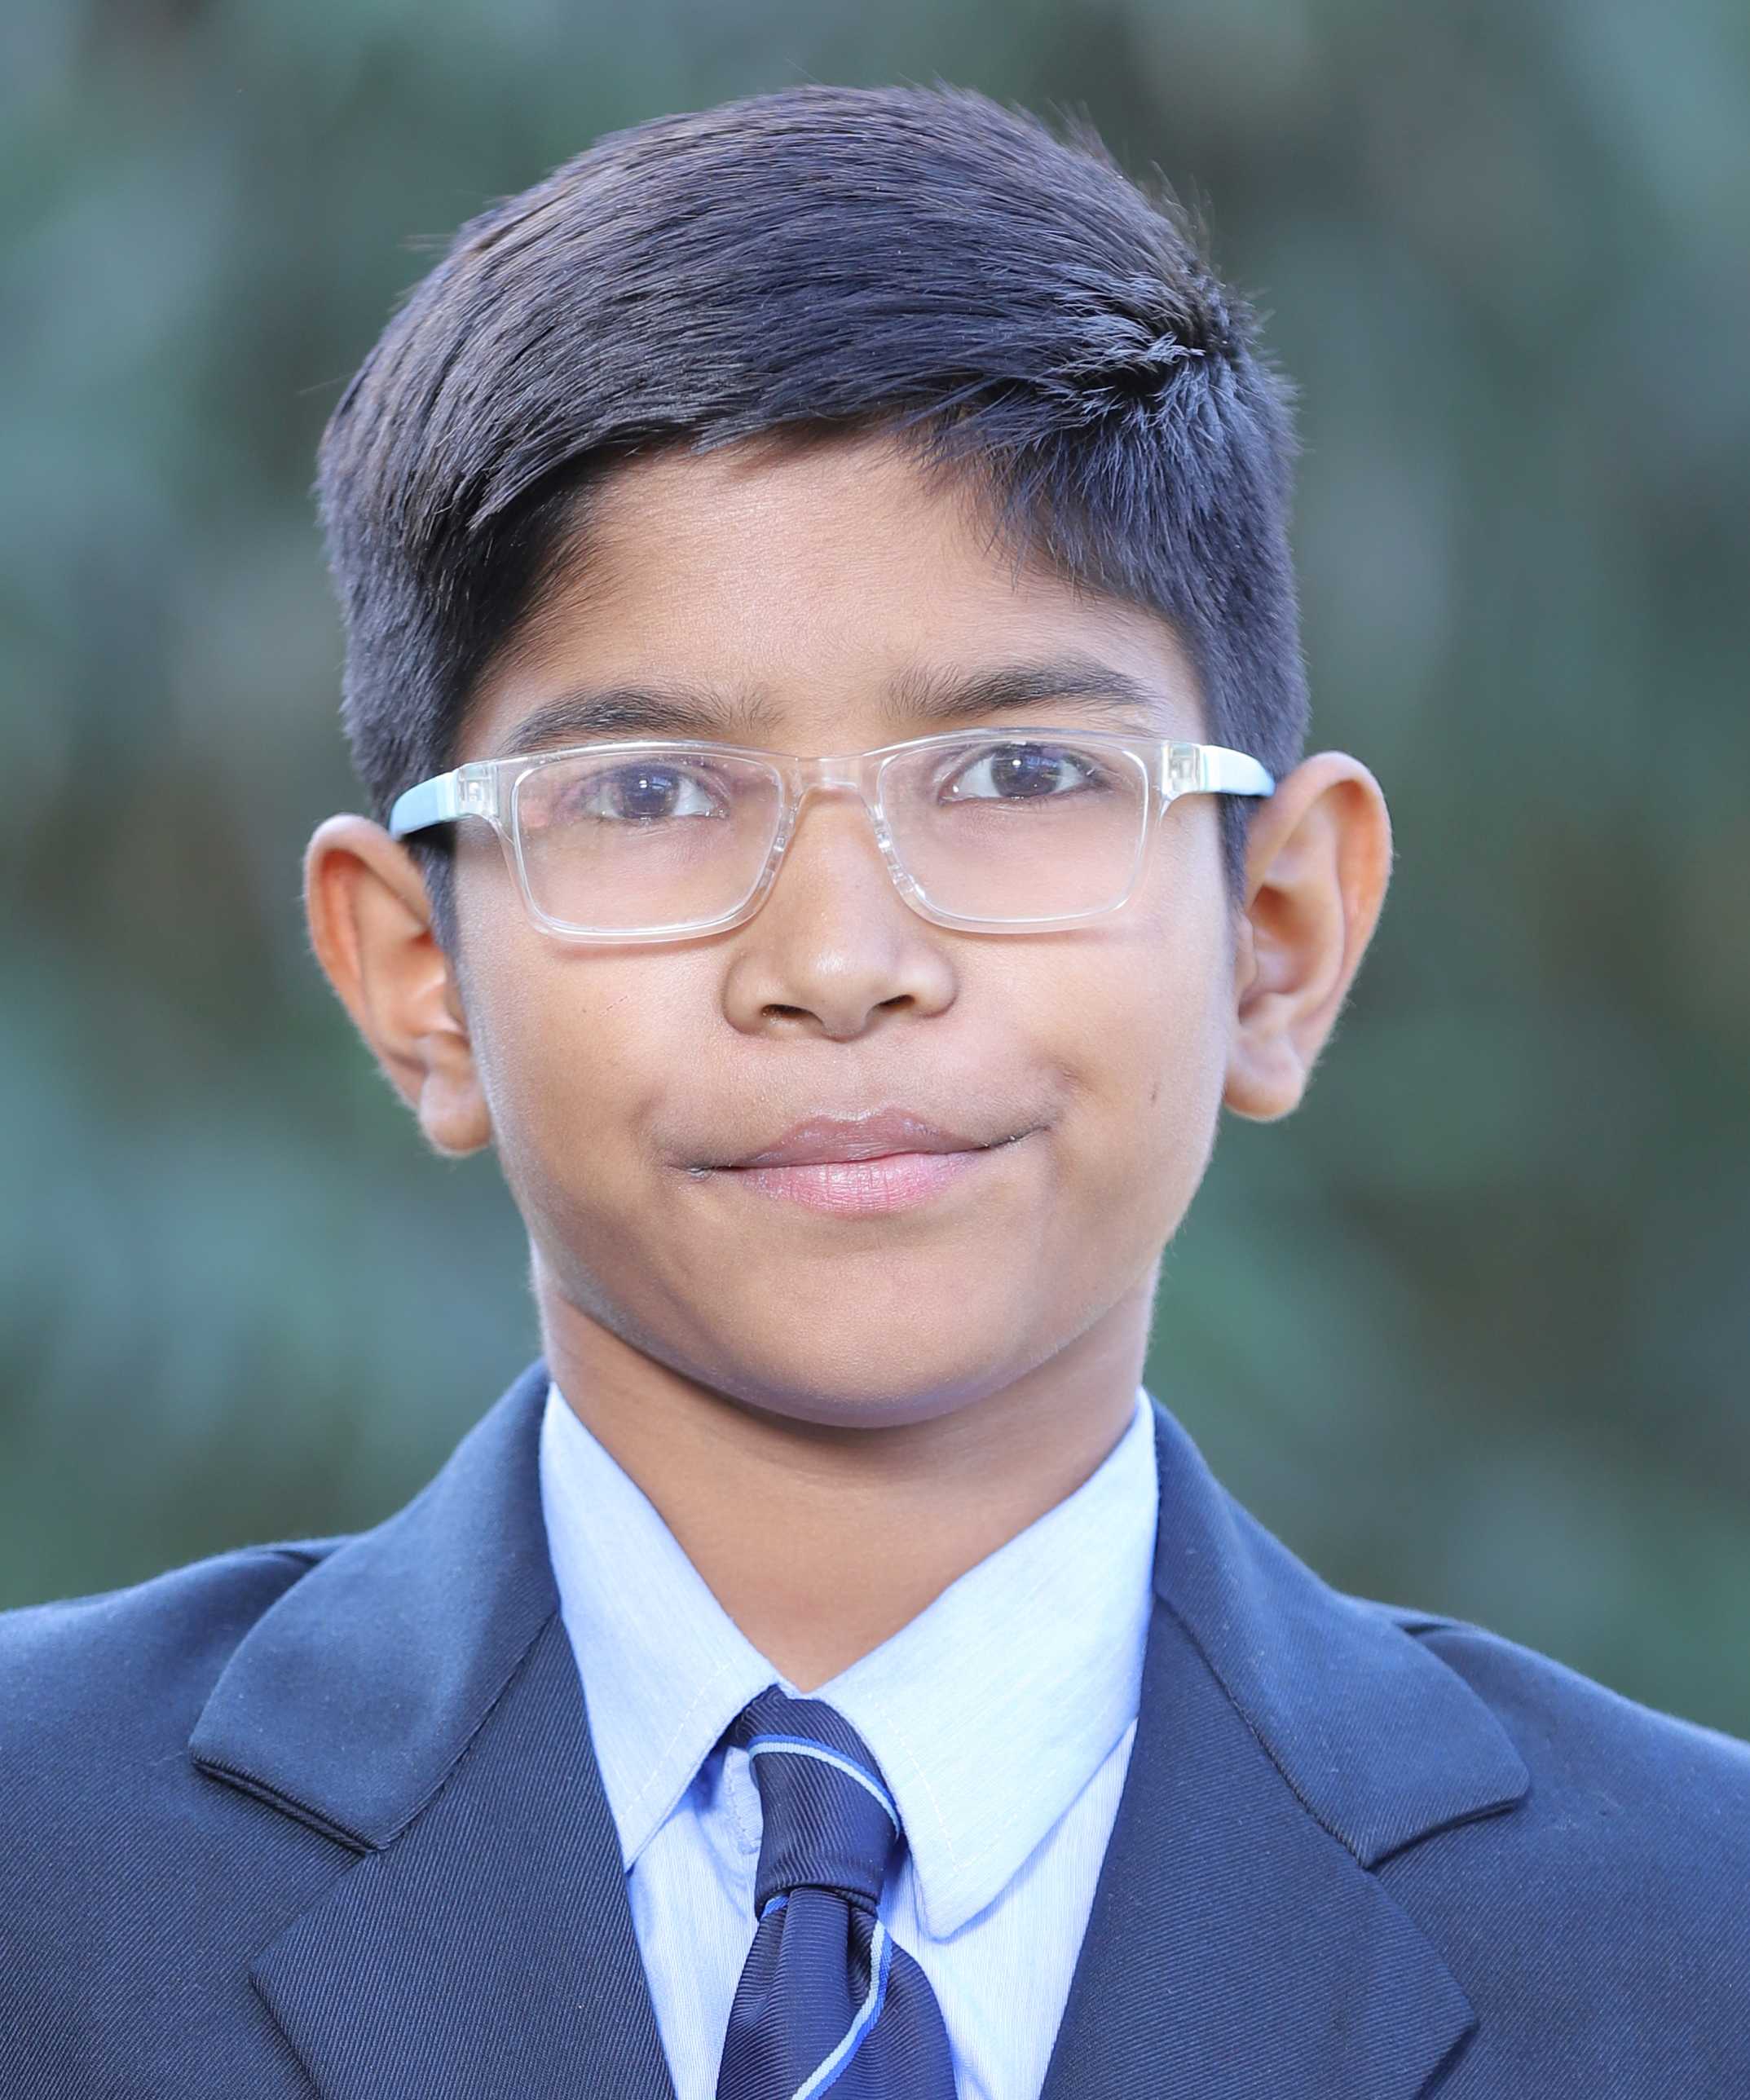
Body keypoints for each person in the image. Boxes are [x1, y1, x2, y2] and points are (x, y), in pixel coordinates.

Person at [3, 82, 1745, 2100]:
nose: (839, 960)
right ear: (420, 978)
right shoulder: (42, 1871)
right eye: (647, 792)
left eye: (1022, 772)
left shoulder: (1694, 1941)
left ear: (1278, 933)